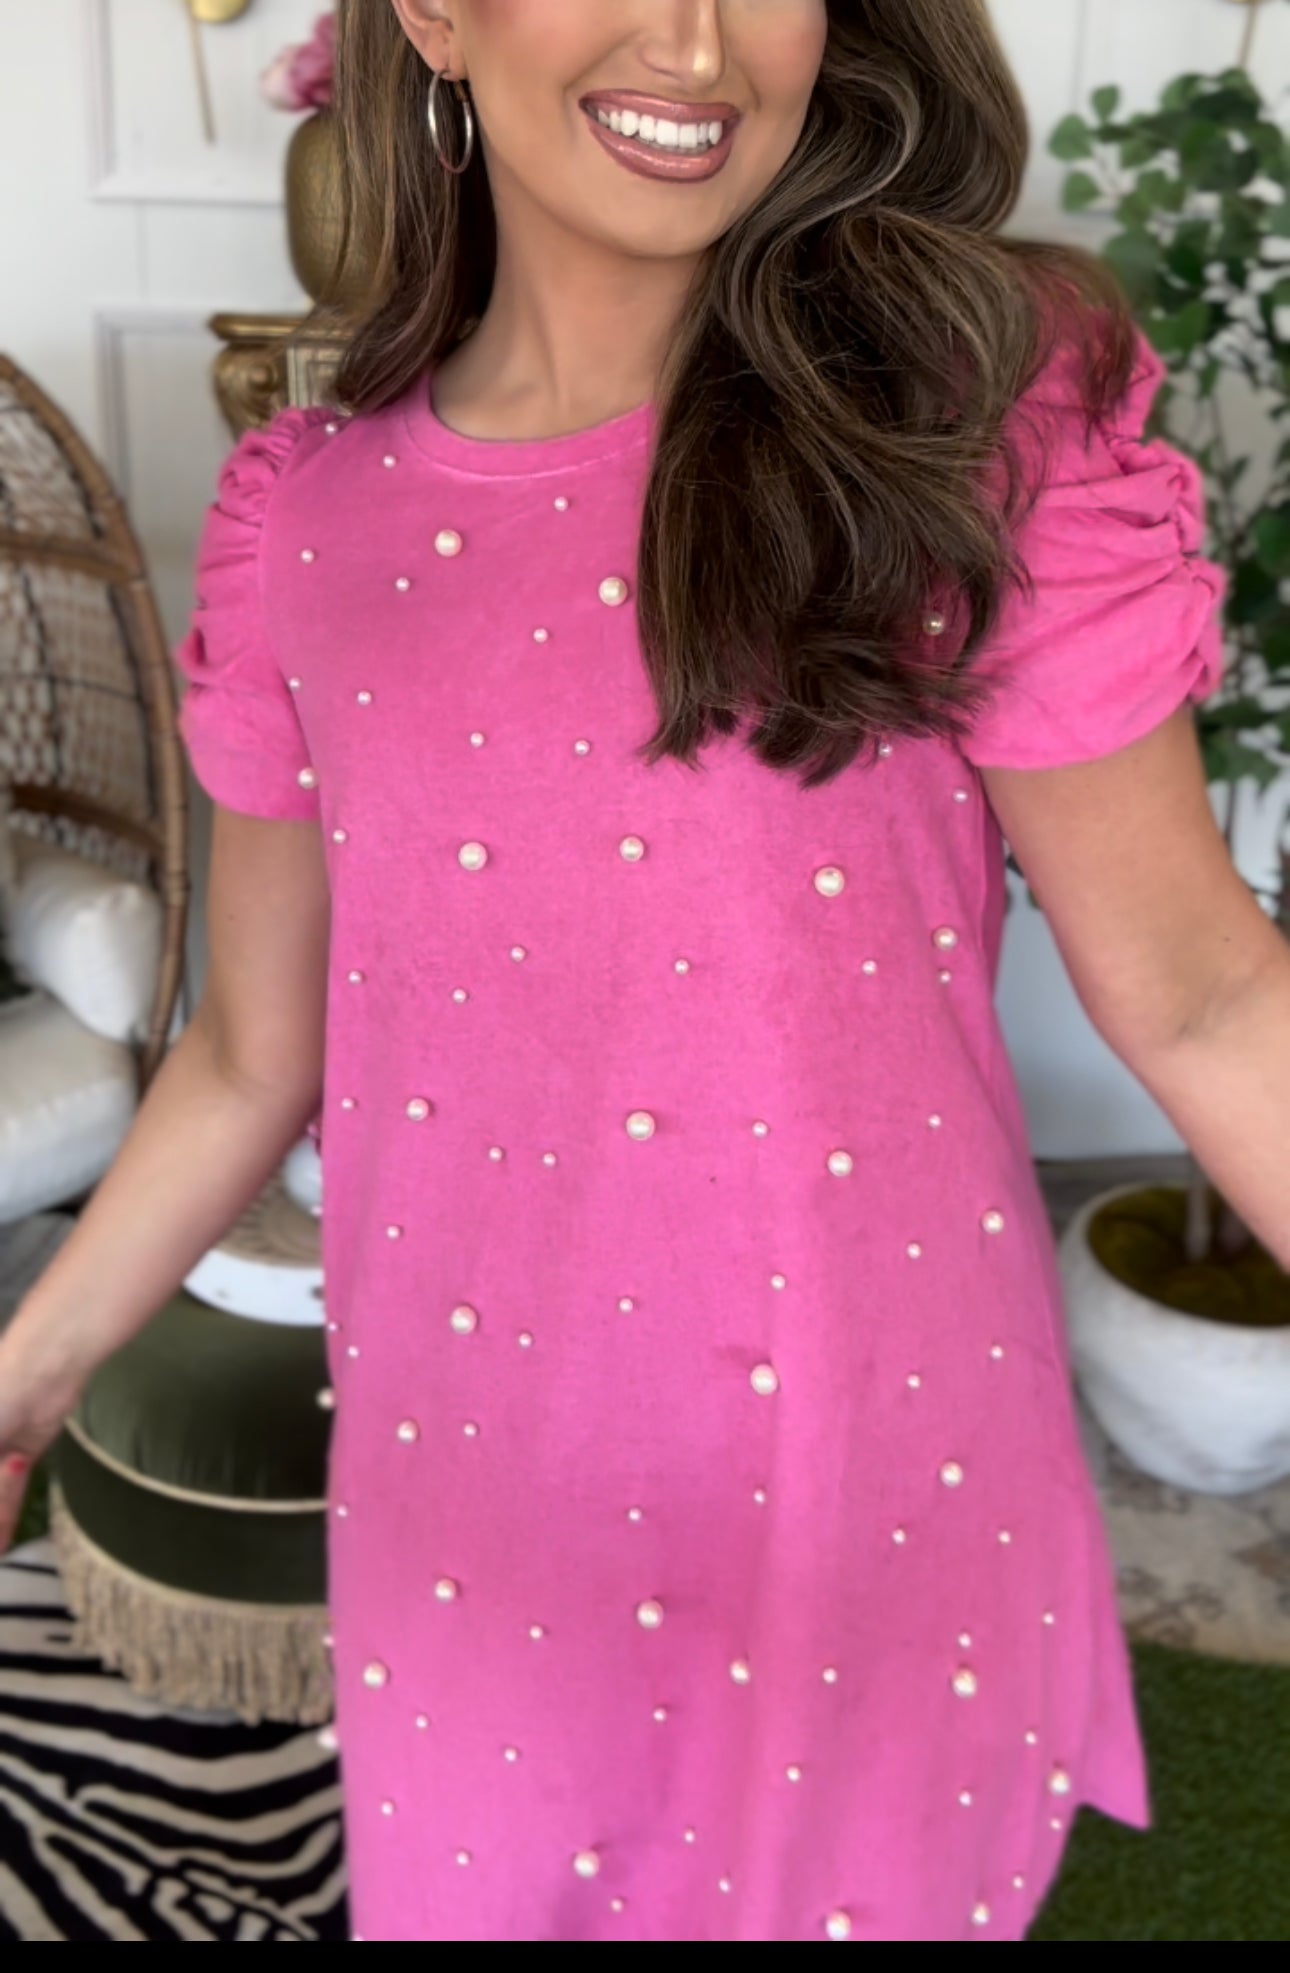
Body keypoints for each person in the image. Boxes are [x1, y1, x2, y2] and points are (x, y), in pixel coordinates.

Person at [2, 0, 1287, 1945]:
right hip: (468, 1517)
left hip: (869, 1500)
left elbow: (1204, 996)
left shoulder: (957, 429)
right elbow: (257, 1048)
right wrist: (27, 1368)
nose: (694, 39)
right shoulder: (304, 526)